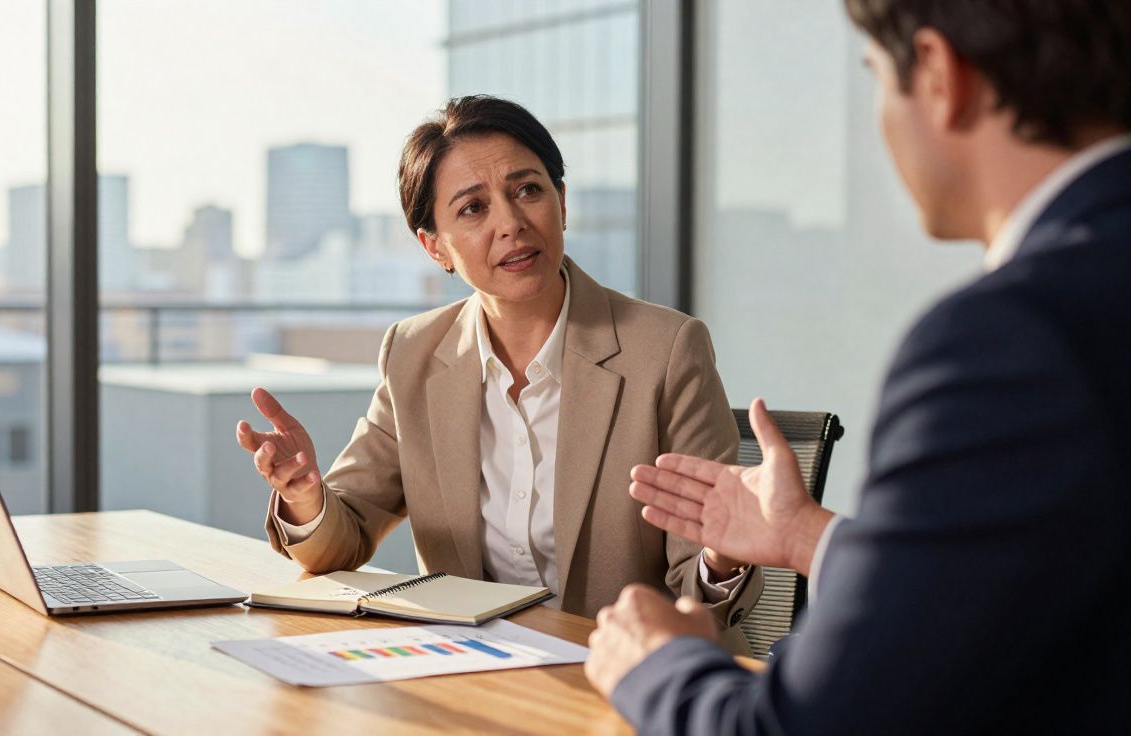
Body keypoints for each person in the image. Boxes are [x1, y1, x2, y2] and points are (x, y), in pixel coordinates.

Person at [585, 1, 1131, 733]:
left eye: (876, 76)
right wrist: (805, 535)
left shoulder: (1010, 340)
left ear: (939, 74)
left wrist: (658, 664)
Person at [236, 95, 762, 649]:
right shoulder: (413, 353)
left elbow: (700, 599)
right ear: (434, 247)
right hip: (478, 668)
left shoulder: (666, 349)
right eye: (473, 208)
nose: (511, 223)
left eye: (528, 190)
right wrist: (305, 495)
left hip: (637, 673)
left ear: (561, 202)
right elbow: (342, 542)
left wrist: (723, 553)